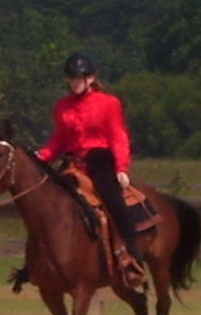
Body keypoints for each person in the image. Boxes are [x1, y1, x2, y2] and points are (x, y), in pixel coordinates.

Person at [35, 52, 145, 279]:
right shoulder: (62, 107)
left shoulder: (108, 103)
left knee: (113, 201)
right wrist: (40, 157)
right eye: (72, 78)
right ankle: (36, 262)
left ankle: (130, 255)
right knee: (47, 203)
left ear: (91, 78)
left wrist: (122, 168)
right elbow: (59, 140)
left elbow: (118, 137)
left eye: (80, 77)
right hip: (73, 164)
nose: (75, 82)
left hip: (100, 162)